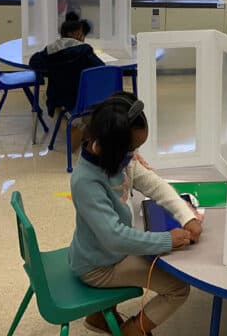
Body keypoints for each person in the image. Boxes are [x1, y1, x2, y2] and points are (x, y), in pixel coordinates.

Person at [69, 92, 202, 336]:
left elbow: (153, 185)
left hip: (101, 252)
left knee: (147, 245)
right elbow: (115, 237)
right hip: (99, 266)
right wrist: (167, 240)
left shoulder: (116, 157)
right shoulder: (86, 182)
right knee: (179, 288)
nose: (135, 154)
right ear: (114, 148)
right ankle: (132, 332)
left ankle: (99, 316)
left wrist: (187, 216)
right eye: (131, 148)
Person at [29, 16, 104, 151]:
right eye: (82, 34)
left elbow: (34, 62)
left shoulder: (51, 50)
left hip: (60, 96)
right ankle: (85, 127)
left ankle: (73, 127)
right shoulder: (85, 50)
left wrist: (51, 69)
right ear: (76, 34)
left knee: (48, 100)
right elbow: (100, 68)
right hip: (85, 98)